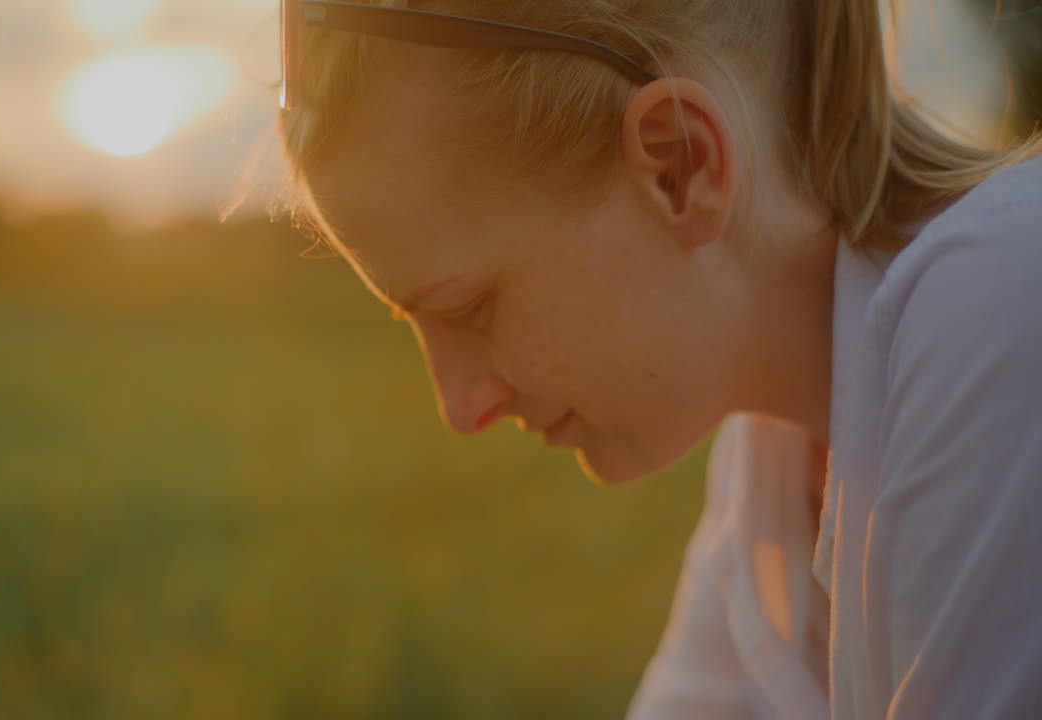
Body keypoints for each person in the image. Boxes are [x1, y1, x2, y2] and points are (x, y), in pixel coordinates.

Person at [275, 0, 1042, 717]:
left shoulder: (1003, 304)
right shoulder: (771, 469)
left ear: (680, 166)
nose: (460, 408)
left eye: (469, 309)